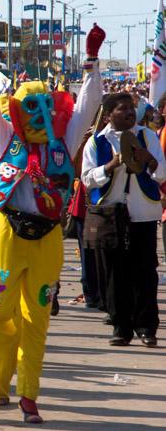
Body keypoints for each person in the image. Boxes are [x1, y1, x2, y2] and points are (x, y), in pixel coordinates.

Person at [0, 15, 104, 423]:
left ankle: (27, 396)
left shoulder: (63, 144)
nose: (41, 113)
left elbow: (89, 105)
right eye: (32, 106)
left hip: (47, 239)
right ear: (18, 111)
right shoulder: (4, 139)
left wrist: (93, 60)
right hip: (8, 235)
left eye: (46, 104)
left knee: (36, 322)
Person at [81, 92, 165, 347]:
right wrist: (110, 166)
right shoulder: (96, 142)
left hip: (142, 214)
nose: (130, 112)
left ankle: (146, 326)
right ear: (108, 115)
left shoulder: (147, 136)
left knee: (145, 271)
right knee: (114, 272)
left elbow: (162, 173)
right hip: (110, 214)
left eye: (132, 108)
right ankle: (121, 326)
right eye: (123, 109)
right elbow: (87, 178)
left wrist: (148, 160)